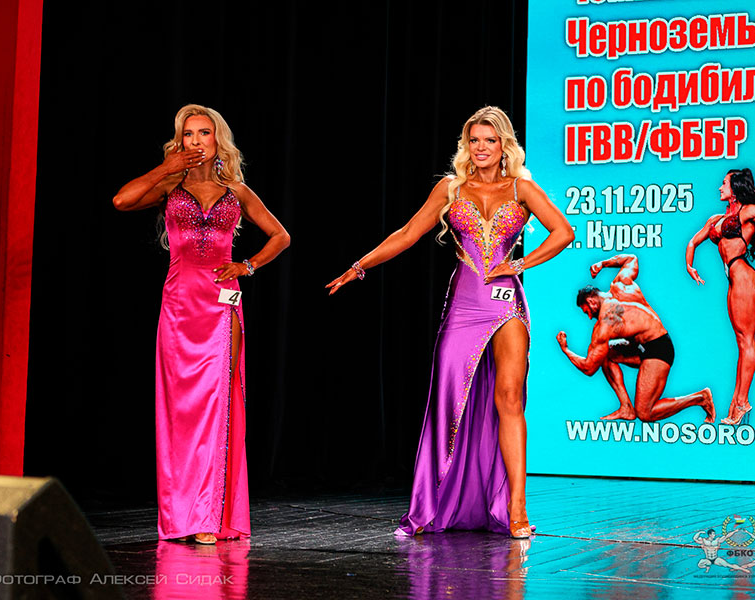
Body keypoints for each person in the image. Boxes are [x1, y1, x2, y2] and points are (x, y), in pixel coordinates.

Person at [326, 106, 573, 539]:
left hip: (507, 305)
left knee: (509, 399)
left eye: (489, 140)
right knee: (447, 401)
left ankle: (516, 509)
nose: (481, 148)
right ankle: (432, 503)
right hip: (464, 305)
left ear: (504, 146)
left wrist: (519, 264)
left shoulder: (522, 188)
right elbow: (407, 233)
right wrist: (359, 266)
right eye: (474, 140)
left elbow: (563, 232)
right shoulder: (450, 188)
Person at [112, 104, 290, 544]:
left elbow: (281, 236)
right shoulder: (169, 187)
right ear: (180, 141)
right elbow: (121, 201)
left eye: (204, 133)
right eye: (188, 134)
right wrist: (165, 167)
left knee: (218, 407)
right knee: (180, 412)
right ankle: (182, 517)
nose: (196, 141)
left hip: (222, 306)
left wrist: (247, 265)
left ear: (217, 139)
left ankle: (210, 518)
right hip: (178, 306)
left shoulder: (236, 191)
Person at [556, 254, 714, 422]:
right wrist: (602, 264)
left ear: (591, 301)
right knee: (606, 355)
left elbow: (589, 368)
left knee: (645, 413)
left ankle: (700, 398)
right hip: (642, 346)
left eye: (586, 311)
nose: (589, 317)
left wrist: (565, 350)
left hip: (659, 349)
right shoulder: (621, 284)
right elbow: (631, 259)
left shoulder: (605, 323)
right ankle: (626, 407)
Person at [685, 169, 755, 425]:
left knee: (747, 340)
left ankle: (742, 402)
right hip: (732, 279)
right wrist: (690, 266)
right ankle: (736, 404)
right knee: (741, 342)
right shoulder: (716, 219)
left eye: (724, 183)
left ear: (735, 188)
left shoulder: (749, 211)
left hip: (743, 275)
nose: (720, 188)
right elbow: (693, 242)